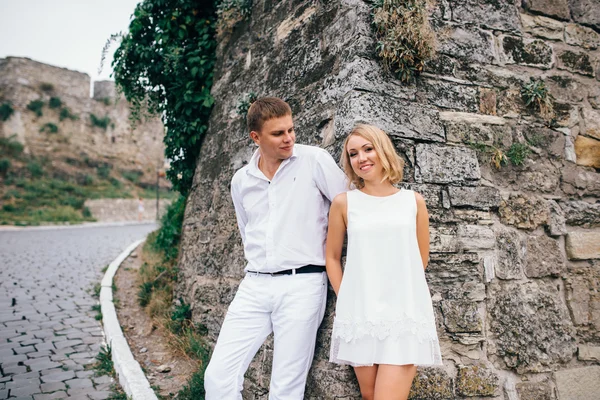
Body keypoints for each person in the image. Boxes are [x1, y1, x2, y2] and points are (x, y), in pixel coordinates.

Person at [204, 97, 348, 399]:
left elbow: (348, 207)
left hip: (303, 284)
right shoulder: (241, 181)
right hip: (254, 285)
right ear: (255, 137)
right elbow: (248, 232)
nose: (289, 138)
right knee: (217, 379)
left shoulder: (315, 160)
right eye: (278, 133)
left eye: (291, 130)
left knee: (285, 389)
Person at [326, 124, 442, 400]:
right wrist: (348, 299)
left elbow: (420, 259)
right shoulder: (344, 203)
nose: (361, 158)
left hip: (402, 317)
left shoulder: (413, 202)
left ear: (383, 151)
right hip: (361, 316)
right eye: (353, 153)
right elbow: (331, 257)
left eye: (368, 149)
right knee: (369, 396)